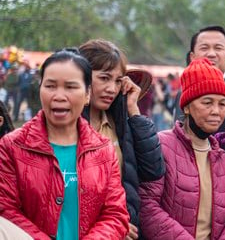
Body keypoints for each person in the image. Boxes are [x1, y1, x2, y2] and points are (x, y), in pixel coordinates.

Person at [0, 48, 129, 239]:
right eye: (50, 86)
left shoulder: (103, 149)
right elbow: (5, 210)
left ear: (87, 95)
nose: (59, 96)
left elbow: (115, 215)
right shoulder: (12, 146)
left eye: (70, 87)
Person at [139, 58, 225, 239]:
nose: (216, 111)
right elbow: (147, 206)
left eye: (222, 104)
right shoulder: (161, 145)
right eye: (207, 103)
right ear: (187, 107)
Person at [79, 39, 165, 240]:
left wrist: (133, 109)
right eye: (104, 78)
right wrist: (112, 227)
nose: (111, 88)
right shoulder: (65, 128)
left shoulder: (120, 124)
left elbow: (153, 170)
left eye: (118, 81)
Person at [174, 26, 225, 133]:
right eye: (204, 48)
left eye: (218, 48)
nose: (211, 54)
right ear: (192, 57)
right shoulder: (183, 93)